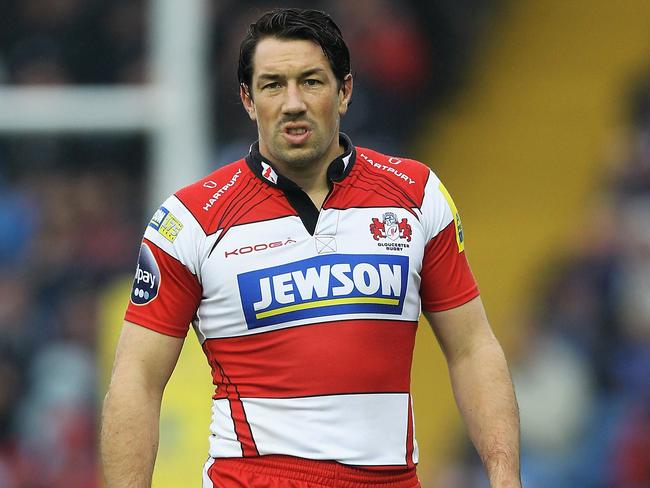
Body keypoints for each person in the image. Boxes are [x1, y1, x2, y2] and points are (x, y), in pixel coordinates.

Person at [101, 8, 521, 488]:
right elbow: (137, 380)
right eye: (273, 84)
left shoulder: (417, 195)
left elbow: (472, 348)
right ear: (247, 99)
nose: (293, 102)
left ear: (344, 91)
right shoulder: (189, 221)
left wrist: (505, 477)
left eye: (311, 82)